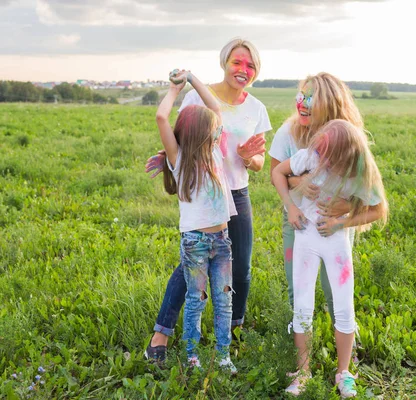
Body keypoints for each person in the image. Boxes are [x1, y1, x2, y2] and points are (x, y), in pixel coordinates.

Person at [145, 38, 272, 362]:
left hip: (236, 194)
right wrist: (169, 157)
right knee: (189, 268)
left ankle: (232, 329)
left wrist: (248, 157)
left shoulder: (256, 108)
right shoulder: (195, 98)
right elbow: (180, 135)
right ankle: (162, 332)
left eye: (250, 65)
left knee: (240, 267)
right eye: (237, 62)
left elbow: (259, 160)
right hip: (201, 195)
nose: (243, 70)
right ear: (224, 62)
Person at [271, 119, 389, 398]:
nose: (321, 161)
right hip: (305, 240)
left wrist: (341, 223)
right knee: (302, 307)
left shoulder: (358, 171)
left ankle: (344, 373)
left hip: (336, 245)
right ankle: (302, 372)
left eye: (328, 157)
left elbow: (377, 210)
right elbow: (277, 172)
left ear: (345, 155)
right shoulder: (310, 156)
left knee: (344, 307)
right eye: (319, 154)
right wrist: (291, 207)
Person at [155, 68, 237, 372]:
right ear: (203, 133)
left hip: (221, 241)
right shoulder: (180, 160)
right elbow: (162, 119)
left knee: (224, 300)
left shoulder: (214, 153)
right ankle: (192, 356)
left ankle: (223, 356)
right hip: (196, 243)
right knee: (196, 300)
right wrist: (176, 89)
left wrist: (192, 79)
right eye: (213, 128)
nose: (219, 129)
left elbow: (215, 107)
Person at [268, 72, 364, 320]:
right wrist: (298, 182)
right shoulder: (287, 133)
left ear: (330, 104)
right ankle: (298, 341)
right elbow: (275, 173)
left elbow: (364, 188)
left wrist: (346, 206)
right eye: (301, 96)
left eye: (311, 99)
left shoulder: (347, 136)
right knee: (297, 286)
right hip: (297, 219)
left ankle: (346, 334)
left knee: (336, 286)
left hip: (334, 222)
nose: (302, 103)